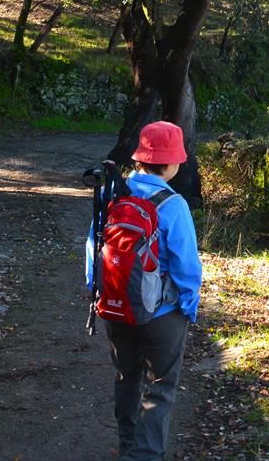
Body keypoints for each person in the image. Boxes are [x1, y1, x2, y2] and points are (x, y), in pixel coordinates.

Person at [87, 121, 203, 461]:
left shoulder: (114, 192)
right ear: (169, 164)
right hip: (161, 314)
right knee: (160, 389)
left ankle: (127, 446)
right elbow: (186, 266)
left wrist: (97, 292)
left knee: (126, 378)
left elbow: (93, 247)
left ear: (140, 158)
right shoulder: (173, 204)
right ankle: (144, 456)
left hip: (116, 305)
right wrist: (188, 306)